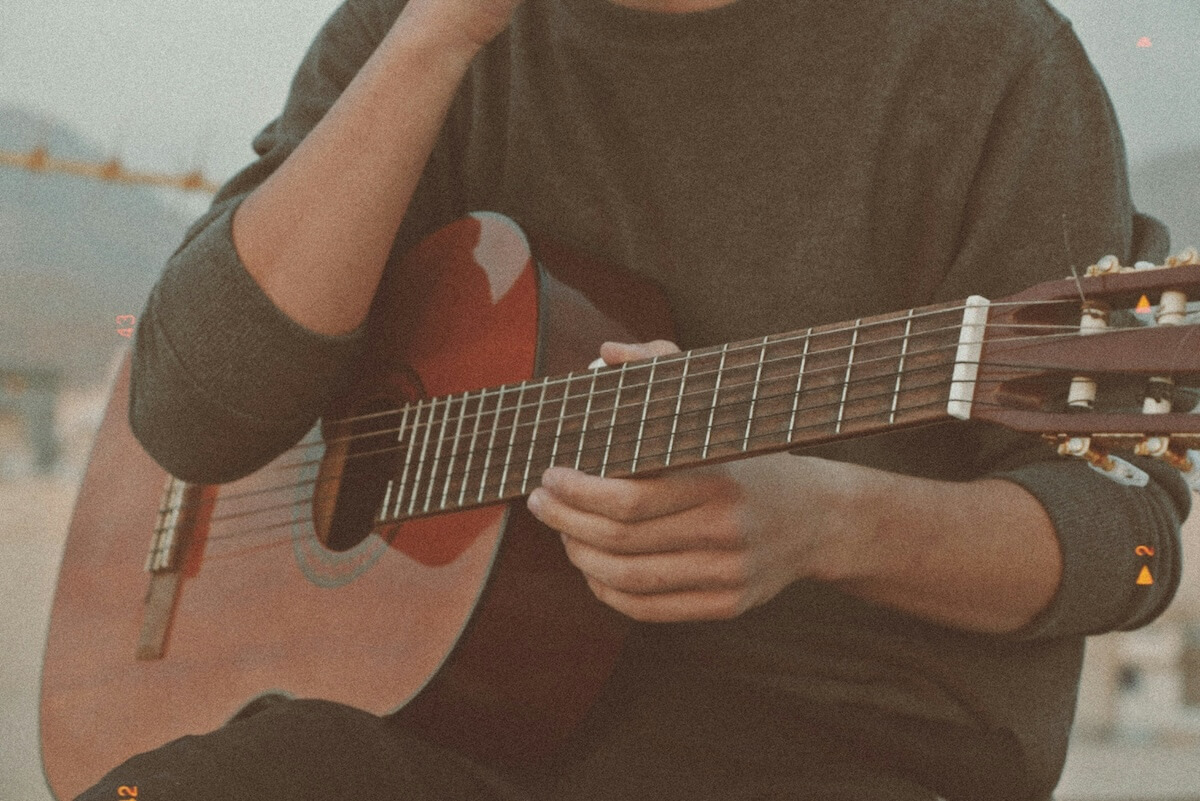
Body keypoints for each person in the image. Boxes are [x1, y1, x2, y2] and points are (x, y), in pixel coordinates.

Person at [79, 0, 1191, 799]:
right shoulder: (417, 31)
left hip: (829, 745)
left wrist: (829, 523)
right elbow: (189, 415)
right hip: (429, 728)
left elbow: (1137, 547)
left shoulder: (988, 58)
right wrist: (432, 40)